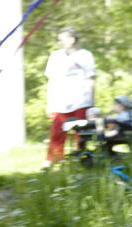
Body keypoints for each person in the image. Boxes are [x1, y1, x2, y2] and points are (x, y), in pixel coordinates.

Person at [44, 27, 96, 166]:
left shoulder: (85, 55)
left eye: (62, 39)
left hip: (81, 101)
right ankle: (54, 161)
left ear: (72, 40)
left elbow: (91, 79)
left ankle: (83, 161)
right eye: (59, 39)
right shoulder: (55, 56)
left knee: (82, 135)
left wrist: (91, 103)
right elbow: (51, 81)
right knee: (57, 133)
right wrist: (49, 104)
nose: (60, 42)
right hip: (61, 102)